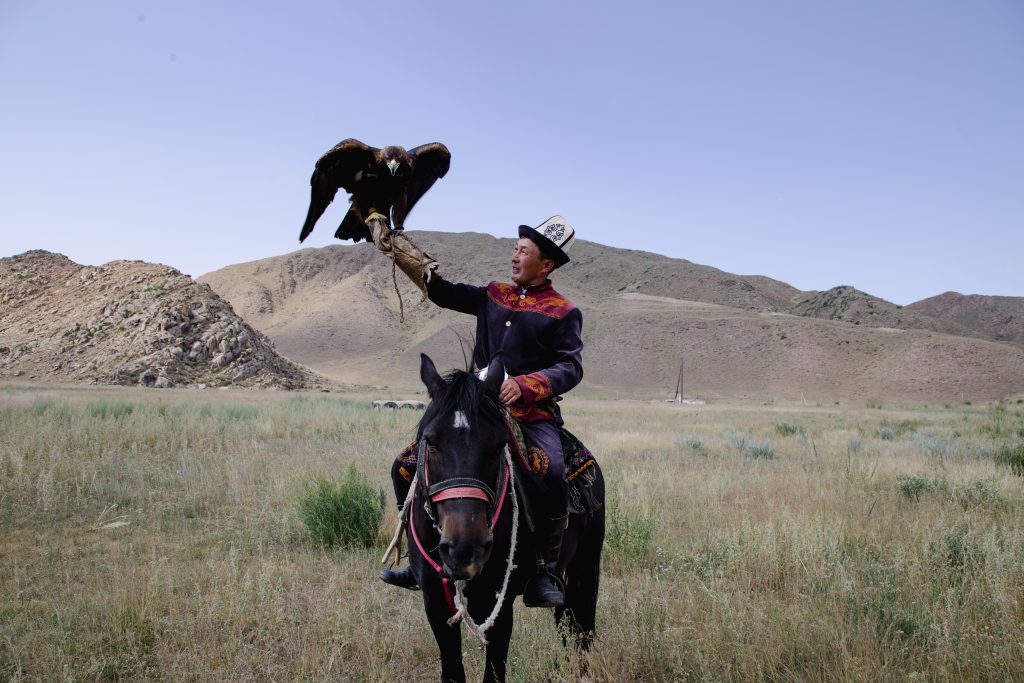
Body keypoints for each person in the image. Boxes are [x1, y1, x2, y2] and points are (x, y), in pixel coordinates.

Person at [380, 215, 583, 608]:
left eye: (524, 252)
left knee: (553, 472)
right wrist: (404, 255)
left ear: (547, 265)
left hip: (530, 414)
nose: (515, 256)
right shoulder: (493, 294)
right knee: (404, 465)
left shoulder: (564, 311)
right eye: (515, 248)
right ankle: (419, 558)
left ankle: (544, 567)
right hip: (477, 408)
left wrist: (525, 385)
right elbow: (444, 294)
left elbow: (570, 367)